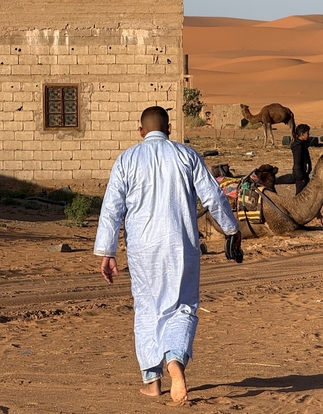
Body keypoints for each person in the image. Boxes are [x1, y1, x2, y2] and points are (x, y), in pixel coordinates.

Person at [93, 106, 240, 403]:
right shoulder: (187, 155)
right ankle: (175, 359)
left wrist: (107, 251)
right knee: (182, 305)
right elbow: (213, 195)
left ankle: (152, 380)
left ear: (141, 132)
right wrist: (231, 229)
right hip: (181, 245)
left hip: (143, 249)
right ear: (170, 129)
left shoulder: (127, 160)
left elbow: (111, 210)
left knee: (147, 307)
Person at [291, 123, 312, 195]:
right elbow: (297, 162)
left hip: (304, 175)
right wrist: (301, 176)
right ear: (302, 134)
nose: (309, 135)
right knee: (300, 196)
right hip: (301, 175)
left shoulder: (302, 144)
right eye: (307, 133)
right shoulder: (298, 146)